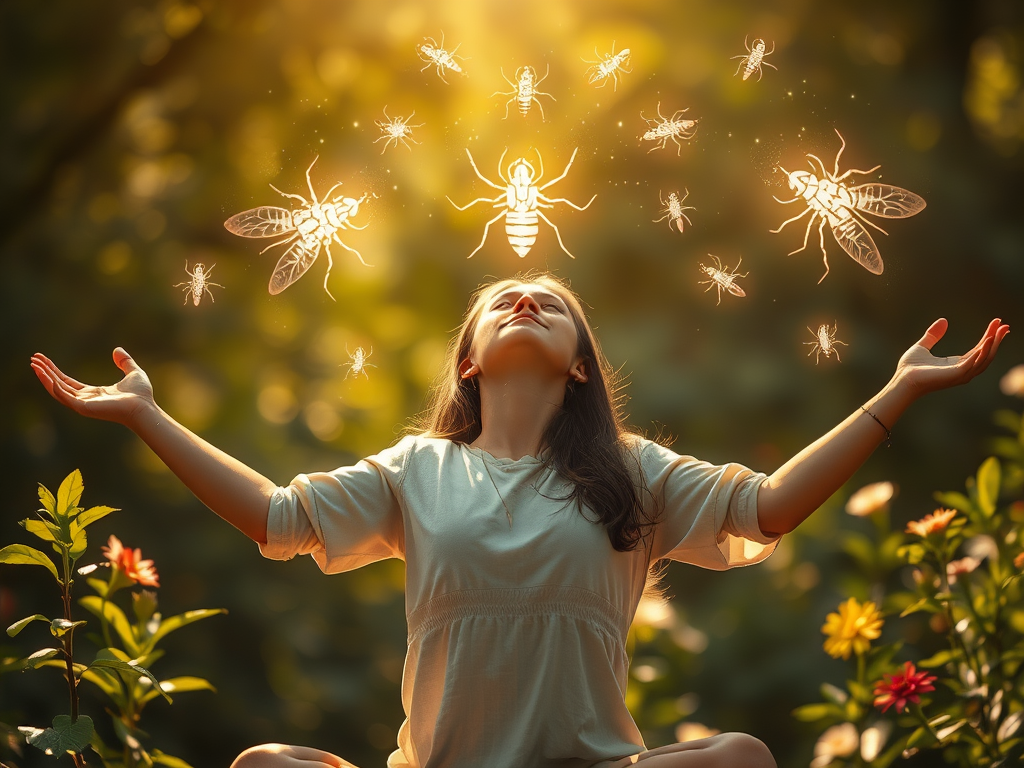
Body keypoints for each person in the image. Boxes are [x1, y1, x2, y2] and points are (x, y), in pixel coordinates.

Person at [31, 272, 1008, 768]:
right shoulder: (417, 468)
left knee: (738, 760)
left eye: (551, 303)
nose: (527, 298)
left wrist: (895, 393)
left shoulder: (630, 473)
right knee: (265, 765)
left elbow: (766, 508)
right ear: (469, 361)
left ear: (579, 361)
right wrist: (149, 418)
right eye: (503, 301)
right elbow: (278, 519)